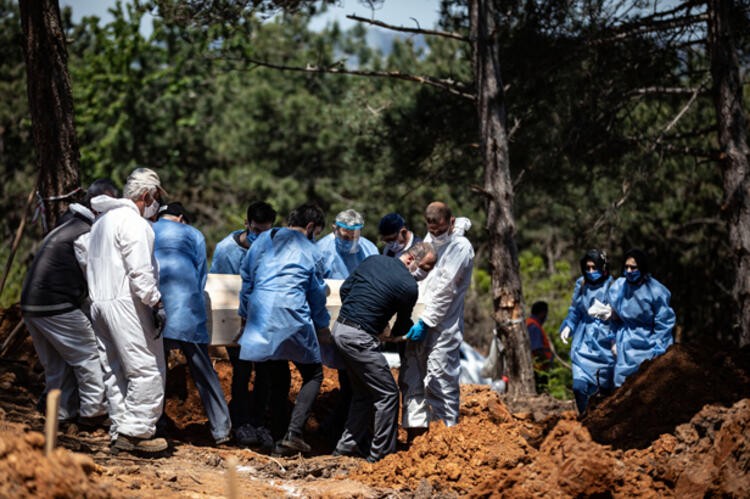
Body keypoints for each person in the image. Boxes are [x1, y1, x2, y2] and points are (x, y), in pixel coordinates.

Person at [20, 179, 117, 429]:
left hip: (32, 305)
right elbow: (92, 274)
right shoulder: (85, 232)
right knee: (89, 356)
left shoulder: (66, 224)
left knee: (56, 364)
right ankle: (93, 413)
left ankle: (61, 414)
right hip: (56, 305)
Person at [237, 203, 330, 456]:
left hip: (260, 316)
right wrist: (322, 326)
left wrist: (245, 316)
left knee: (277, 376)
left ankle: (277, 438)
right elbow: (316, 294)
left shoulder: (264, 240)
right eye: (317, 233)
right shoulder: (310, 250)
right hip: (291, 314)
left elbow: (247, 279)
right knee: (313, 374)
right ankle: (294, 434)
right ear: (310, 228)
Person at [87, 167, 168, 454]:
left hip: (99, 301)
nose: (157, 205)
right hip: (126, 302)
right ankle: (136, 433)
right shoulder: (135, 224)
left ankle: (120, 428)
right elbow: (140, 272)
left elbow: (84, 255)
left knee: (114, 369)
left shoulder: (101, 222)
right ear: (146, 195)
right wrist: (156, 302)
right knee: (146, 367)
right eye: (156, 198)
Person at [332, 242, 437, 462]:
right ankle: (381, 456)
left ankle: (346, 448)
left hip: (340, 329)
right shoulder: (409, 286)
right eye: (425, 267)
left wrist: (359, 313)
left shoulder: (373, 260)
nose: (425, 273)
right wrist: (408, 332)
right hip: (360, 339)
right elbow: (400, 328)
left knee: (363, 393)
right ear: (410, 259)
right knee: (388, 394)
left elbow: (345, 290)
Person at [153, 202, 231, 445]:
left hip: (156, 311)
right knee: (203, 371)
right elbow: (200, 277)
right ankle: (222, 430)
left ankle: (153, 424)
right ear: (181, 218)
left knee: (155, 372)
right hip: (187, 311)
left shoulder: (147, 229)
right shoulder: (194, 234)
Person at [401, 202, 474, 439]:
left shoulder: (460, 247)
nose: (436, 233)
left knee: (439, 377)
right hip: (418, 318)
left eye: (440, 229)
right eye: (431, 229)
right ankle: (417, 435)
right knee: (413, 377)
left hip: (444, 326)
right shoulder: (430, 240)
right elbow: (414, 269)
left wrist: (427, 320)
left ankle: (446, 435)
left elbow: (445, 289)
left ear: (451, 222)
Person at [209, 201, 276, 445]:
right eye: (257, 231)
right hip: (236, 323)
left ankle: (260, 421)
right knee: (242, 370)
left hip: (264, 322)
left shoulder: (272, 248)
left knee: (265, 373)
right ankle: (241, 421)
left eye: (266, 231)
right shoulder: (226, 250)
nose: (261, 237)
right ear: (246, 224)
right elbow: (217, 288)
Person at [599, 249, 676, 387]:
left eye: (633, 267)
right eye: (626, 267)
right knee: (621, 385)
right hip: (626, 343)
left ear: (642, 268)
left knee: (648, 385)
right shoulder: (618, 288)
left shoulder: (655, 291)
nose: (629, 270)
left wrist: (659, 349)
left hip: (650, 342)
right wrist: (613, 340)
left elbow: (664, 323)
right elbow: (615, 319)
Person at [559, 249, 615, 413]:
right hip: (584, 341)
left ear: (603, 267)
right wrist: (569, 325)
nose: (591, 272)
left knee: (605, 391)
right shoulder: (581, 284)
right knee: (579, 387)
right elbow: (575, 310)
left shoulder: (613, 285)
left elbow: (621, 312)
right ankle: (584, 417)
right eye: (587, 268)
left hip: (605, 341)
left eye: (594, 268)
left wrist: (610, 314)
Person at [317, 209, 379, 279]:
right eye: (345, 237)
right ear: (335, 230)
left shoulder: (369, 250)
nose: (350, 241)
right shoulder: (321, 250)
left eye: (354, 238)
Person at [526, 301, 553, 393]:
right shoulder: (534, 326)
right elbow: (537, 349)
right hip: (537, 369)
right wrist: (546, 363)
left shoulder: (529, 323)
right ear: (542, 313)